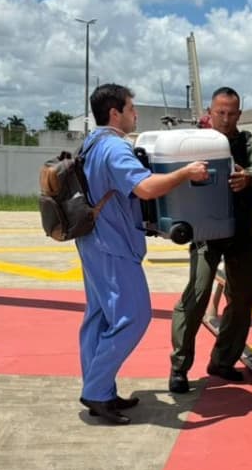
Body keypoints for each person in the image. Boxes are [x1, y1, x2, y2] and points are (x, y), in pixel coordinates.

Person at [76, 83, 210, 425]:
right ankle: (95, 389)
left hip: (93, 241)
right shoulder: (114, 148)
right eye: (131, 108)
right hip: (114, 246)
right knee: (133, 318)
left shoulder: (91, 143)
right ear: (114, 113)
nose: (135, 113)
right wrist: (186, 173)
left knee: (99, 317)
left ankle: (101, 390)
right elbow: (146, 188)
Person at [169, 86, 252, 394]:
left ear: (239, 114)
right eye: (220, 112)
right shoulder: (195, 143)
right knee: (196, 295)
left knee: (241, 299)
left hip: (239, 230)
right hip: (205, 232)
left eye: (231, 113)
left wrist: (248, 176)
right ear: (210, 113)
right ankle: (179, 367)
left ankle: (222, 361)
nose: (225, 118)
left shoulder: (248, 143)